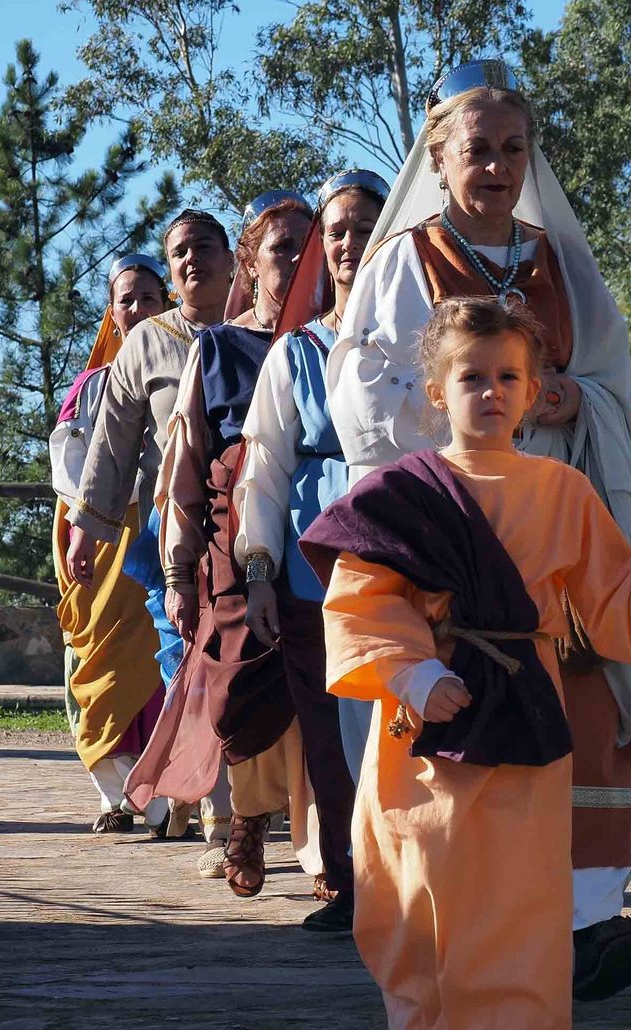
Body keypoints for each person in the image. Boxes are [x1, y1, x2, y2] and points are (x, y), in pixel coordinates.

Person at [328, 59, 631, 1000]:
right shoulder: (405, 260)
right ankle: (464, 937)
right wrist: (482, 410)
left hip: (559, 534)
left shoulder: (558, 261)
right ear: (438, 156)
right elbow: (366, 393)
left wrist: (572, 394)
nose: (496, 165)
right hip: (458, 548)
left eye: (513, 149)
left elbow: (619, 381)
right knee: (465, 747)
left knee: (590, 725)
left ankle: (582, 930)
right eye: (477, 148)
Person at [303, 297, 631, 1030]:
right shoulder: (401, 491)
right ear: (436, 390)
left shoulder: (563, 491)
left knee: (516, 886)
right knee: (416, 874)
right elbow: (360, 596)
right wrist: (410, 672)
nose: (491, 391)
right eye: (471, 376)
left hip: (523, 704)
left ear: (536, 387)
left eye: (508, 375)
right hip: (426, 707)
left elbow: (611, 595)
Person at [129, 190, 325, 896]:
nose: (301, 261)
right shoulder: (219, 348)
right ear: (250, 260)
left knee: (326, 694)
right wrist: (179, 573)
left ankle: (324, 851)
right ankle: (246, 814)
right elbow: (184, 469)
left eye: (311, 245)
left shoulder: (339, 341)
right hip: (234, 546)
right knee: (241, 690)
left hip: (321, 538)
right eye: (282, 248)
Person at [234, 169, 390, 932]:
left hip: (399, 566)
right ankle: (351, 882)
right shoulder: (295, 352)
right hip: (307, 571)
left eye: (365, 226)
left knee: (401, 723)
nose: (350, 243)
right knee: (327, 734)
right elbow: (263, 468)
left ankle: (414, 874)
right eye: (337, 232)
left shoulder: (419, 340)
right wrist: (258, 570)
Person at [65, 210, 236, 867]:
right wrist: (88, 530)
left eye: (203, 248)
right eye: (179, 252)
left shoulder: (263, 331)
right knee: (184, 666)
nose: (191, 260)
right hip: (175, 531)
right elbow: (112, 446)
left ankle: (223, 798)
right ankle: (213, 805)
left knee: (240, 665)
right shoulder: (149, 344)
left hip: (253, 519)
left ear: (231, 258)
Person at [50, 254, 180, 835]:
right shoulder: (89, 387)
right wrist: (90, 520)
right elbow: (69, 468)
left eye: (148, 299)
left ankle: (163, 794)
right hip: (96, 538)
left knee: (156, 661)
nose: (135, 309)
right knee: (96, 664)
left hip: (153, 531)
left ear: (166, 304)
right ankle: (113, 793)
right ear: (111, 311)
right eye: (125, 299)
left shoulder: (185, 365)